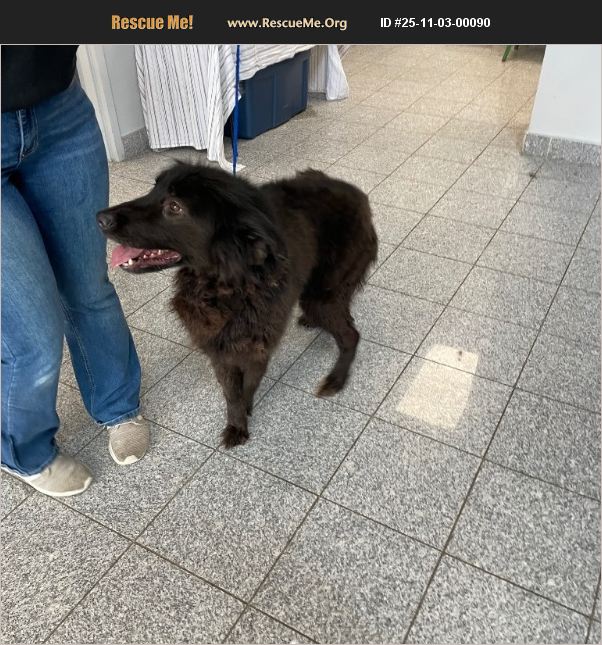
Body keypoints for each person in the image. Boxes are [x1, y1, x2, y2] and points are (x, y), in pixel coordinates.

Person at [1, 45, 149, 497]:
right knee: (32, 332)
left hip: (59, 107)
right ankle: (24, 452)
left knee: (88, 286)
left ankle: (118, 405)